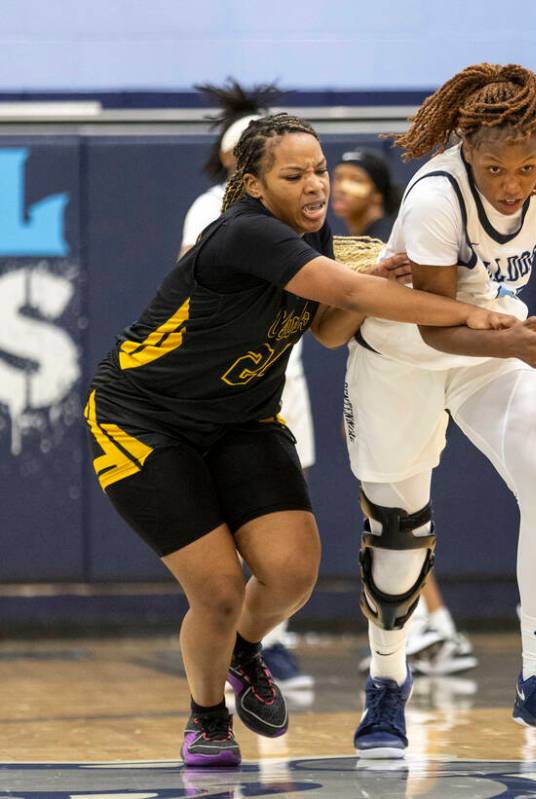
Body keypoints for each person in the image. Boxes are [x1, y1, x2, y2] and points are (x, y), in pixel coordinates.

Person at [83, 112, 514, 768]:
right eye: (296, 174)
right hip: (143, 419)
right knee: (221, 591)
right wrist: (468, 312)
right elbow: (341, 287)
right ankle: (206, 715)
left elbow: (330, 329)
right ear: (255, 185)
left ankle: (240, 651)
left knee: (291, 574)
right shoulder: (244, 233)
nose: (317, 184)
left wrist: (379, 287)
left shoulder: (314, 235)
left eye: (319, 169)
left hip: (243, 419)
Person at [335, 63, 536, 756]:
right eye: (493, 168)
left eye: (524, 167)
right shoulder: (434, 196)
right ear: (465, 151)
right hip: (407, 351)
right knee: (399, 532)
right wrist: (515, 342)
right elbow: (431, 320)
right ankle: (387, 682)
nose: (512, 184)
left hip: (494, 343)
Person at [179, 79, 313, 691]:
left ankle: (262, 642)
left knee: (280, 522)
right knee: (222, 528)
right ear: (243, 167)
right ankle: (229, 636)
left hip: (281, 374)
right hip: (217, 384)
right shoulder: (214, 212)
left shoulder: (306, 213)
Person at [332, 148, 478, 679]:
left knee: (395, 515)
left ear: (378, 191)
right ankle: (429, 626)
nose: (339, 186)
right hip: (375, 368)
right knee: (392, 512)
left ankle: (432, 626)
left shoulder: (397, 239)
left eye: (354, 178)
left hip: (411, 374)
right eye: (337, 176)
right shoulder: (335, 246)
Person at [332, 146, 400, 240]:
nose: (341, 188)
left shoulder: (382, 243)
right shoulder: (362, 239)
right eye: (338, 178)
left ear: (377, 194)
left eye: (356, 180)